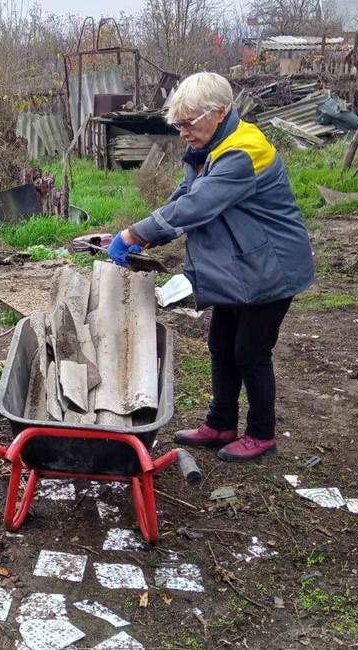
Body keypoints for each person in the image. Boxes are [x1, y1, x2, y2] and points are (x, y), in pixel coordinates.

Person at [107, 72, 314, 461]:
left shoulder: (242, 151)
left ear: (219, 112)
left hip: (271, 268)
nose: (183, 131)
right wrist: (139, 233)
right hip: (242, 267)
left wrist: (134, 235)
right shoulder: (210, 146)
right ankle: (220, 423)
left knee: (250, 352)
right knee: (221, 345)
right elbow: (184, 195)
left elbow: (197, 207)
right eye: (178, 124)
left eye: (189, 122)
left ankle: (261, 433)